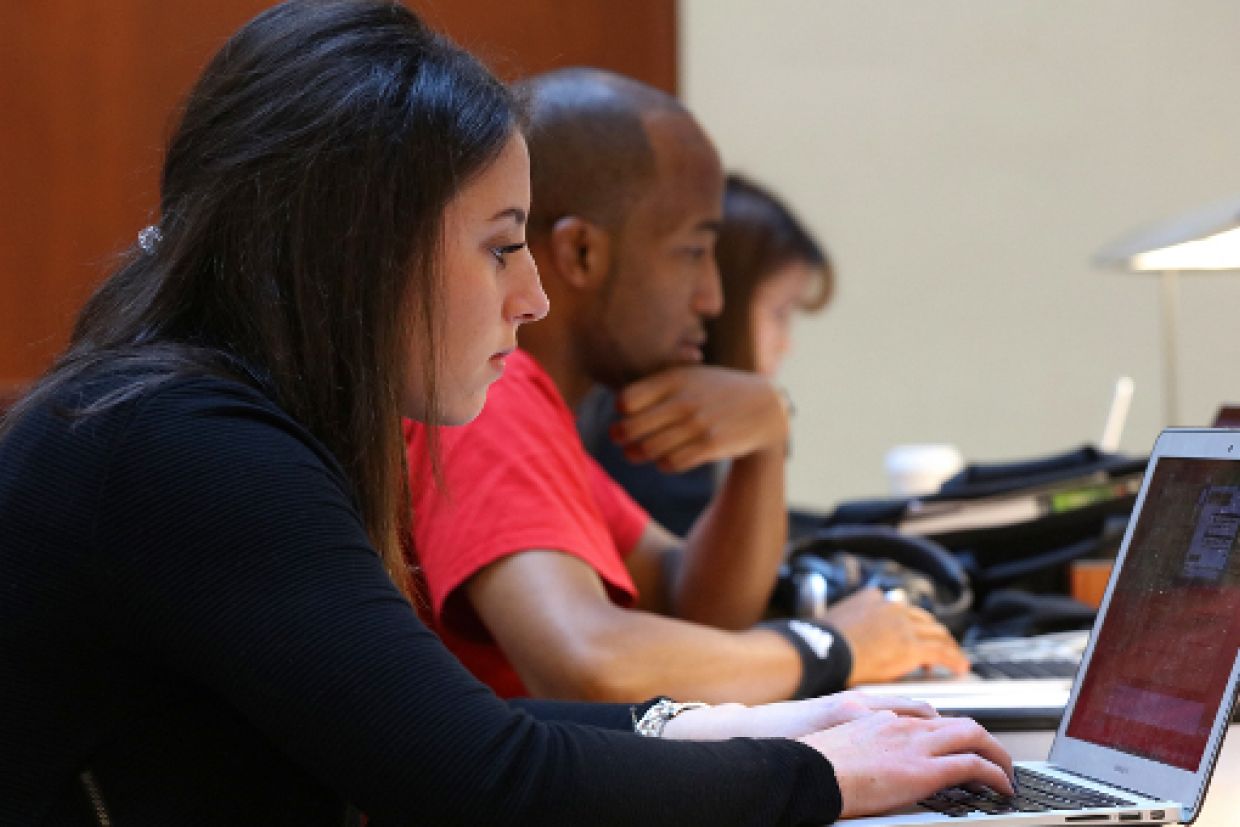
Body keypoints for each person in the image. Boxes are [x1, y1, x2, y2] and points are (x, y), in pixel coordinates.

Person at [0, 1, 1013, 823]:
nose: (529, 295)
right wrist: (827, 773)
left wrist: (798, 724)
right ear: (358, 251)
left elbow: (448, 730)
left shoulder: (179, 415)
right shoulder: (186, 448)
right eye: (498, 245)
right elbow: (483, 777)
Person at [405, 68, 968, 707]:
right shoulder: (493, 399)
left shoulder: (531, 409)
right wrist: (827, 645)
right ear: (583, 253)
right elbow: (589, 663)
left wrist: (764, 444)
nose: (712, 297)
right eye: (692, 252)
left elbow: (692, 609)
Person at [580, 172, 833, 536]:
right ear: (726, 302)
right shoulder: (663, 429)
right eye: (779, 313)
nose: (786, 343)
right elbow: (703, 578)